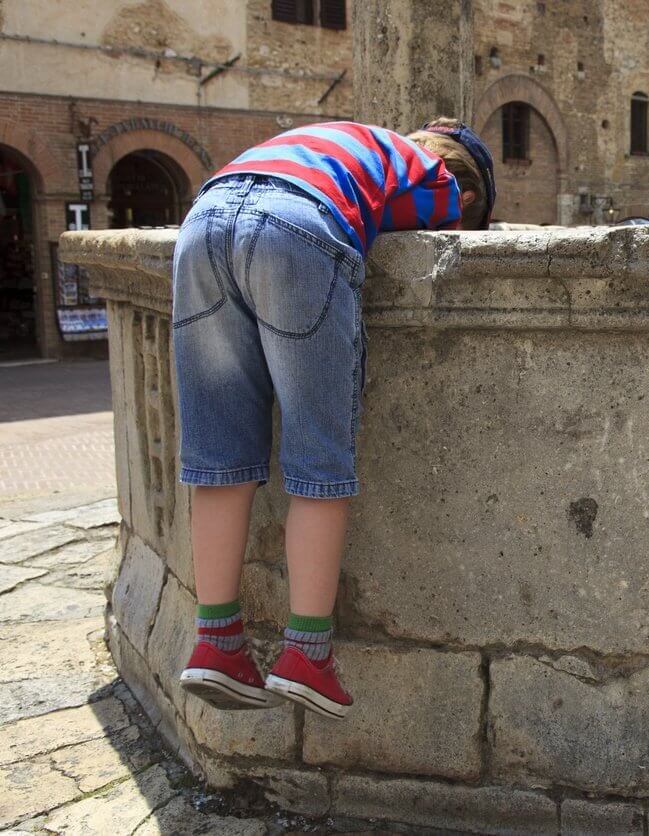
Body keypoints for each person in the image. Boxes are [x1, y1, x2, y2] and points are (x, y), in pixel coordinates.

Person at [173, 119, 496, 719]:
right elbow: (420, 227)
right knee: (319, 460)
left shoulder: (358, 142)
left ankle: (216, 643)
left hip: (206, 220)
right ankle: (306, 656)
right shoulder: (443, 182)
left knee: (219, 457)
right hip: (297, 228)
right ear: (469, 195)